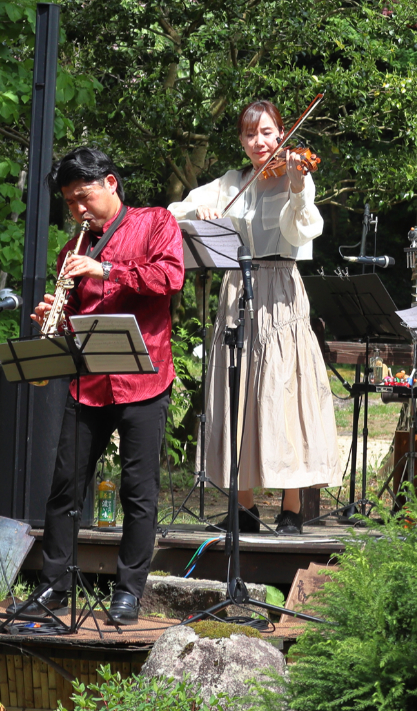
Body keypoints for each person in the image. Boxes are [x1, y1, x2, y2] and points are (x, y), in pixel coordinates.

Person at [26, 147, 185, 625]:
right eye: (70, 203)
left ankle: (128, 592)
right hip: (90, 380)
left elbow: (169, 277)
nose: (77, 210)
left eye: (84, 197)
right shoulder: (72, 250)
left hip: (145, 376)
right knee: (64, 486)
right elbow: (78, 317)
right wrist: (55, 316)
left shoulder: (156, 222)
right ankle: (54, 583)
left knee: (139, 490)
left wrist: (108, 270)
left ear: (110, 183)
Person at [168, 99, 341, 535]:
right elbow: (173, 211)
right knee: (238, 389)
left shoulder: (295, 177)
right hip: (237, 288)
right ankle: (242, 506)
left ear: (281, 134)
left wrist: (298, 185)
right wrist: (201, 211)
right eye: (249, 134)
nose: (258, 141)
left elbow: (299, 228)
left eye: (266, 132)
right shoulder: (232, 183)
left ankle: (291, 506)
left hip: (280, 289)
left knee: (285, 393)